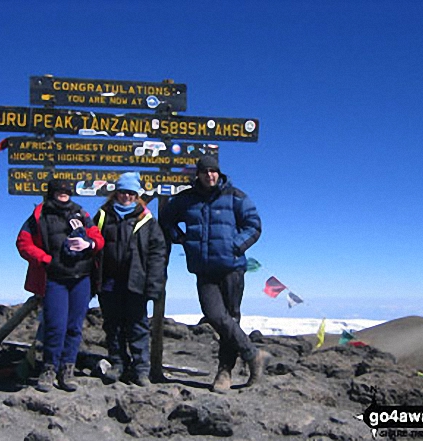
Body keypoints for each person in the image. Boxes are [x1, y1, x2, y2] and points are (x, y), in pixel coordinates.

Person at [159, 155, 270, 392]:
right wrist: (181, 239)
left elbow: (254, 224)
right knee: (216, 316)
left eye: (214, 171)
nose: (210, 175)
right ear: (198, 174)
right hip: (203, 269)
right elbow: (166, 219)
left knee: (231, 317)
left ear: (218, 173)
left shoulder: (235, 196)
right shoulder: (186, 200)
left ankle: (225, 372)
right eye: (205, 171)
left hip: (232, 268)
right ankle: (253, 355)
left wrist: (236, 245)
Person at [16, 179, 104, 393]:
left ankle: (67, 369)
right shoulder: (40, 215)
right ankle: (48, 369)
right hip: (54, 278)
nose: (63, 193)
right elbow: (23, 242)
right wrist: (45, 259)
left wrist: (89, 244)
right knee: (55, 325)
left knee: (74, 327)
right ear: (52, 192)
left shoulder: (80, 213)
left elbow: (98, 238)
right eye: (59, 190)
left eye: (66, 190)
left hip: (82, 277)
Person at [92, 172, 166, 387]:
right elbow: (92, 247)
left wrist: (154, 285)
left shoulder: (147, 220)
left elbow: (157, 254)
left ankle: (141, 369)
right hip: (108, 281)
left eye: (131, 193)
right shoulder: (103, 216)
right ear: (116, 192)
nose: (127, 196)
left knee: (137, 326)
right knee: (113, 325)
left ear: (137, 195)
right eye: (123, 192)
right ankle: (118, 364)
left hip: (136, 282)